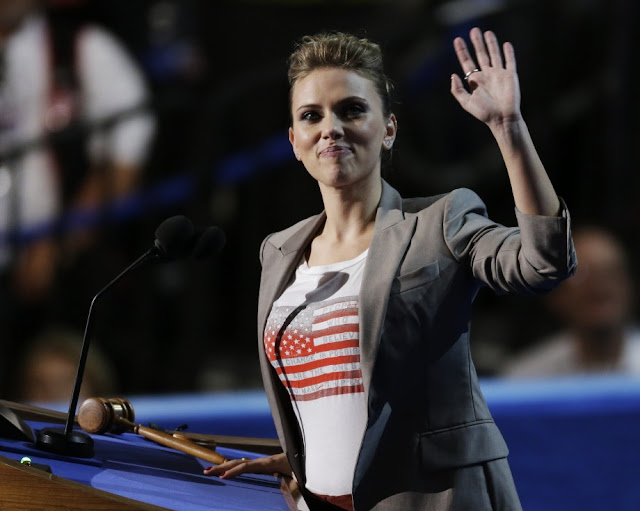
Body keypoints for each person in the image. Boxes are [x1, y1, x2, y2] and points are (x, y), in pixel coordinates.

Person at [204, 28, 576, 511]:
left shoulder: (440, 222)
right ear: (295, 142)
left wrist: (509, 128)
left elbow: (542, 263)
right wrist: (307, 461)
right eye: (311, 116)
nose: (330, 128)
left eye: (352, 110)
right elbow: (334, 398)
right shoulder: (279, 250)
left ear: (389, 129)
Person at [0, 0, 154, 392]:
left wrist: (59, 243)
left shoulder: (82, 46)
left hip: (57, 272)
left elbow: (127, 153)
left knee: (54, 380)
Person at [503, 226, 640, 377]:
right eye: (582, 275)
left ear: (629, 286)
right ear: (556, 294)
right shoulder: (526, 380)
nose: (599, 285)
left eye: (610, 271)